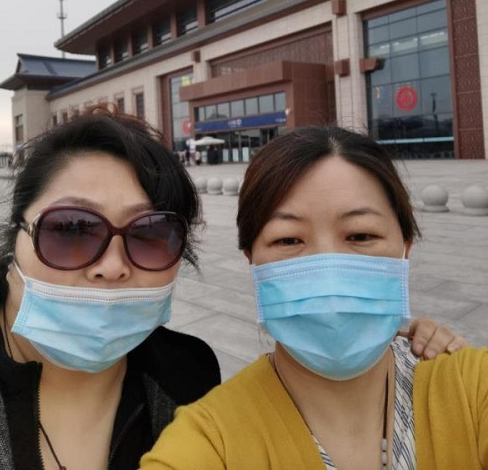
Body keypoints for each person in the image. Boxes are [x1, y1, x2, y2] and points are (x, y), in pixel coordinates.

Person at [140, 125, 487, 470]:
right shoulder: (212, 440)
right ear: (252, 259)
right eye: (289, 240)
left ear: (404, 248)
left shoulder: (471, 386)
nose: (328, 269)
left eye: (360, 235)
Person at [0, 108, 221, 470]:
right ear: (15, 237)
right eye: (72, 229)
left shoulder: (192, 375)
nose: (112, 267)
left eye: (150, 232)